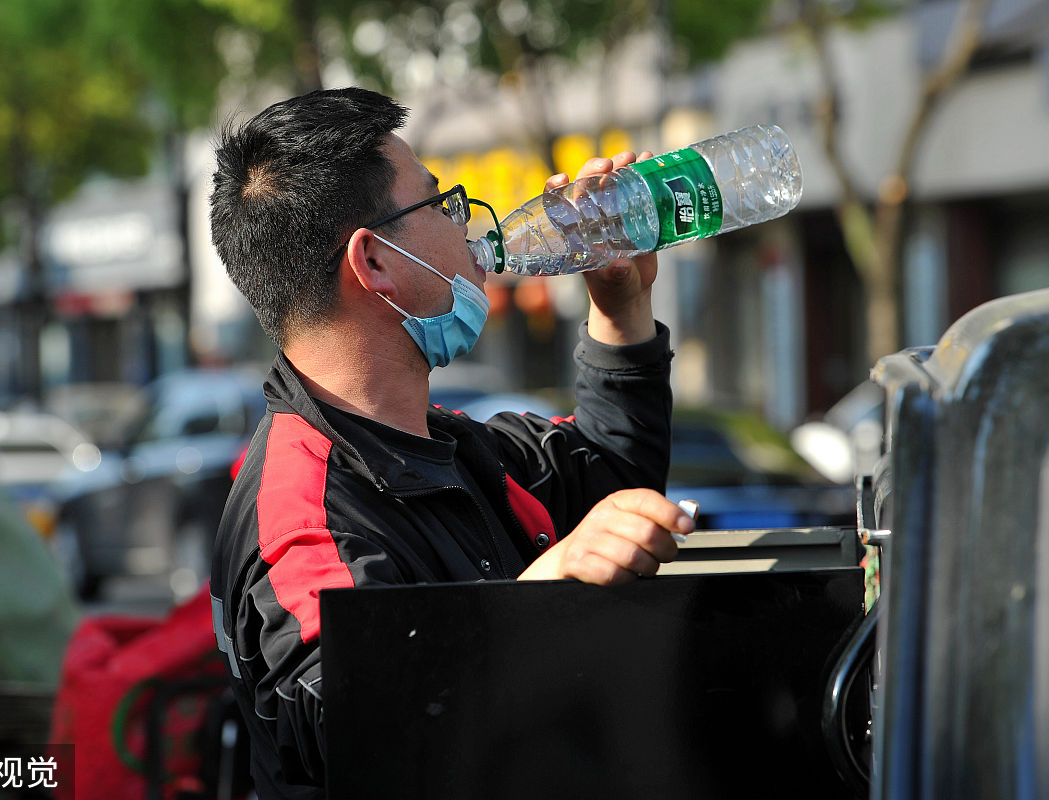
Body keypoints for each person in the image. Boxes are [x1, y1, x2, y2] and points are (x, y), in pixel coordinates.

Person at [207, 87, 693, 798]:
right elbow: (365, 726)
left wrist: (621, 311)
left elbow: (612, 479)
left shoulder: (446, 447)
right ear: (374, 262)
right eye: (441, 203)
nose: (467, 227)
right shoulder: (304, 515)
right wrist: (536, 602)